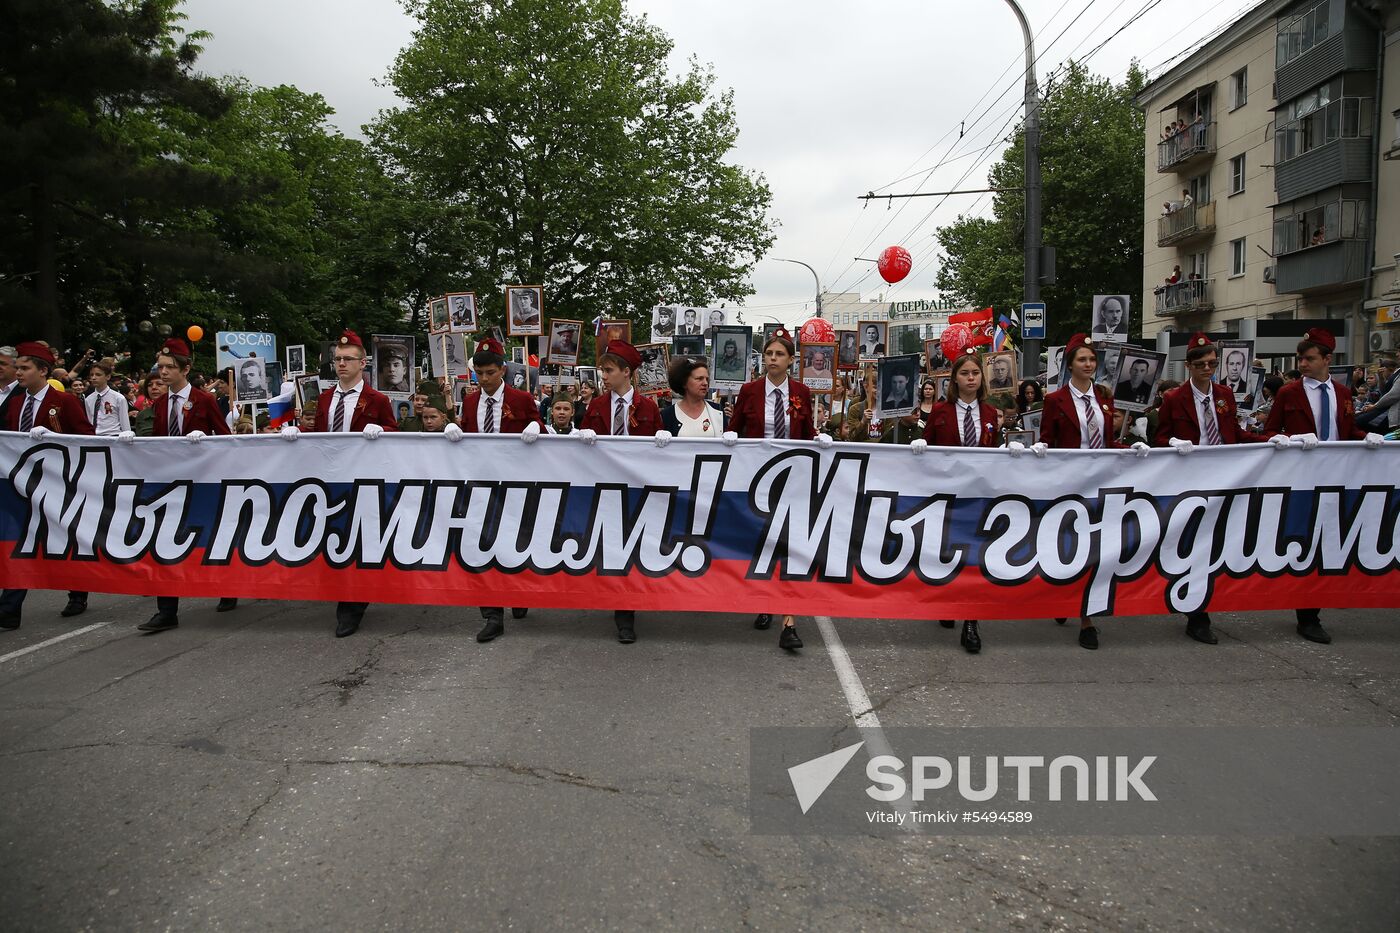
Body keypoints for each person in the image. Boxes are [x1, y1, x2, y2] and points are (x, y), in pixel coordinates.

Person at [1152, 334, 1273, 643]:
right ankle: (1197, 614)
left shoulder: (1224, 396)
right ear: (1189, 366)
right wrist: (1174, 442)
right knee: (1195, 544)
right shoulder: (1175, 398)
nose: (1208, 369)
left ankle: (1207, 600)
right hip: (1191, 479)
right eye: (1202, 364)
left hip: (1225, 477)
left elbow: (1233, 433)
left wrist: (1270, 441)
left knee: (1220, 542)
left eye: (1212, 364)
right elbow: (1161, 437)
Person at [1263, 327, 1379, 644]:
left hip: (1338, 478)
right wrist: (1292, 438)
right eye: (1300, 359)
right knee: (1305, 545)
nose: (1302, 364)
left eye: (1309, 358)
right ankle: (1307, 615)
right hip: (1301, 480)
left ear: (1327, 359)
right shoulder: (1289, 393)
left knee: (1331, 543)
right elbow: (1270, 433)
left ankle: (1319, 603)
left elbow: (1346, 431)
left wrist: (1365, 438)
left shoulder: (1342, 394)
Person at [138, 338, 239, 633]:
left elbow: (224, 439)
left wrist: (204, 442)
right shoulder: (160, 404)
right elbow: (157, 442)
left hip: (203, 482)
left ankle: (227, 585)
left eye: (170, 367)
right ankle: (167, 610)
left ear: (185, 369)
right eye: (161, 367)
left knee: (210, 538)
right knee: (164, 543)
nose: (164, 372)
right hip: (169, 483)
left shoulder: (204, 400)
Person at [728, 328, 815, 651]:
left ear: (791, 360)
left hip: (792, 477)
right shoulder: (750, 391)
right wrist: (731, 439)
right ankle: (765, 601)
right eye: (769, 354)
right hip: (757, 477)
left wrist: (820, 443)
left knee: (788, 544)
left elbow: (806, 432)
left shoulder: (801, 392)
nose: (773, 359)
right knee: (763, 543)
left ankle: (788, 622)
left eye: (779, 354)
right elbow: (735, 428)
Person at [0, 341, 96, 632]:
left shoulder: (63, 401)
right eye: (17, 368)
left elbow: (86, 438)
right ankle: (10, 607)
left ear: (42, 371)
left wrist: (54, 440)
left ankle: (78, 591)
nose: (19, 373)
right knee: (21, 540)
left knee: (67, 537)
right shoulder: (15, 403)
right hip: (22, 483)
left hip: (58, 484)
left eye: (25, 368)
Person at [312, 330, 399, 638]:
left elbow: (395, 434)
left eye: (348, 359)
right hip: (331, 479)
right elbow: (318, 436)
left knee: (357, 543)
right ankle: (343, 596)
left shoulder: (377, 399)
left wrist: (383, 429)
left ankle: (352, 606)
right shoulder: (324, 399)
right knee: (335, 540)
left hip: (363, 481)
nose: (341, 364)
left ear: (363, 363)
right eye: (337, 359)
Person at [1040, 334, 1125, 650]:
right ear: (1070, 365)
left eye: (1092, 360)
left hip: (1101, 481)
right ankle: (1067, 597)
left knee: (1095, 547)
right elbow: (1048, 441)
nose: (1089, 365)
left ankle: (1086, 616)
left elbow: (1107, 440)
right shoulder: (1055, 400)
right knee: (1071, 546)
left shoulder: (1104, 396)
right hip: (1070, 482)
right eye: (1082, 360)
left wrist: (1131, 449)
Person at [580, 340, 662, 645]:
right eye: (603, 369)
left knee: (633, 550)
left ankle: (628, 608)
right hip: (605, 487)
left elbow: (658, 453)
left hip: (637, 490)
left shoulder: (649, 407)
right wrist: (582, 434)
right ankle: (621, 610)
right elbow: (581, 448)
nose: (604, 375)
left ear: (627, 372)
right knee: (613, 548)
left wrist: (662, 439)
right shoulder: (598, 407)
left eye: (609, 370)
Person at [920, 349, 998, 652]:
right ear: (954, 379)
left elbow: (995, 451)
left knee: (975, 555)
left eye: (975, 374)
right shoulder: (941, 411)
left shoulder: (990, 413)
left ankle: (971, 619)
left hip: (978, 494)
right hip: (949, 493)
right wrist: (920, 446)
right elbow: (928, 445)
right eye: (964, 374)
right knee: (950, 553)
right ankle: (948, 603)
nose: (970, 378)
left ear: (981, 378)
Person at [660, 356, 723, 437]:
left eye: (707, 379)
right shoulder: (667, 415)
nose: (705, 383)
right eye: (699, 379)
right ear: (684, 383)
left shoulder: (718, 411)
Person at [83, 359, 131, 435]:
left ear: (108, 377)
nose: (94, 378)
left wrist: (127, 433)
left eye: (98, 375)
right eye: (92, 375)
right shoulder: (88, 399)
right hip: (94, 437)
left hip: (113, 436)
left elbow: (124, 421)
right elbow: (90, 419)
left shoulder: (118, 398)